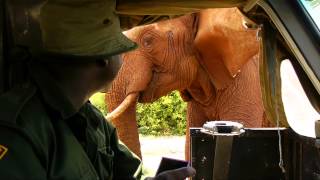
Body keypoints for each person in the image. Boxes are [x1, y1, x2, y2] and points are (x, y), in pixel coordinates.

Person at [0, 0, 195, 179]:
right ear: (104, 59)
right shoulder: (17, 130)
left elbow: (127, 173)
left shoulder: (91, 119)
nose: (123, 60)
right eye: (120, 52)